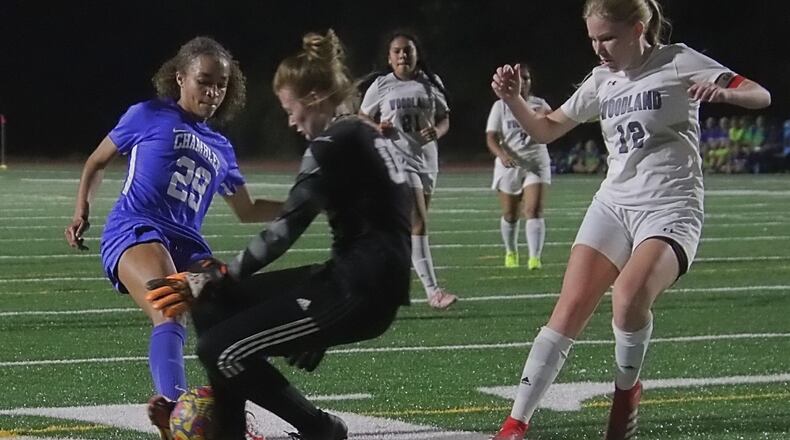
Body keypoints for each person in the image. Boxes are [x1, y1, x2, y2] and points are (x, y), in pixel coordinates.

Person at [489, 1, 770, 439]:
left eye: (607, 38)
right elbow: (546, 130)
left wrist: (729, 92)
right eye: (593, 40)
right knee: (567, 311)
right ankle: (515, 422)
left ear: (638, 28)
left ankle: (626, 391)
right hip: (614, 205)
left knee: (627, 298)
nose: (599, 48)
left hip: (671, 208)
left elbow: (760, 93)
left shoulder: (677, 60)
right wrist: (513, 101)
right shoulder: (602, 80)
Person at [145, 29, 412, 440]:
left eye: (291, 110)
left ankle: (320, 430)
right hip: (354, 279)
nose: (290, 121)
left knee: (218, 349)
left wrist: (216, 275)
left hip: (358, 290)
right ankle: (230, 434)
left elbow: (284, 230)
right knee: (211, 303)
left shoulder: (332, 142)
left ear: (316, 98)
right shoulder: (363, 133)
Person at [63, 36, 282, 439]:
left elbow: (247, 210)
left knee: (232, 319)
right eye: (205, 80)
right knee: (169, 307)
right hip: (137, 228)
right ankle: (173, 412)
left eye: (221, 84)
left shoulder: (222, 147)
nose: (213, 92)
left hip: (189, 246)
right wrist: (82, 209)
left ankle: (230, 419)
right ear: (180, 77)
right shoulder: (147, 114)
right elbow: (96, 162)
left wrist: (304, 204)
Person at [359, 30, 457, 309]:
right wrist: (377, 127)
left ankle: (383, 284)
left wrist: (437, 131)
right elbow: (362, 116)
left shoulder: (430, 83)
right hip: (398, 159)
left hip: (426, 161)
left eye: (408, 51)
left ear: (416, 55)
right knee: (418, 223)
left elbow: (445, 118)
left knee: (406, 228)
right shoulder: (381, 85)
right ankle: (432, 292)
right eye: (398, 51)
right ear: (390, 58)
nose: (403, 55)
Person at [485, 63, 551, 270]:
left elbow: (552, 127)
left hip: (535, 162)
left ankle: (534, 258)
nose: (523, 82)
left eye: (527, 78)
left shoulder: (540, 104)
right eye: (519, 78)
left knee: (533, 210)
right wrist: (502, 155)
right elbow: (491, 137)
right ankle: (511, 252)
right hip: (510, 165)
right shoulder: (501, 106)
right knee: (510, 214)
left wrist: (546, 118)